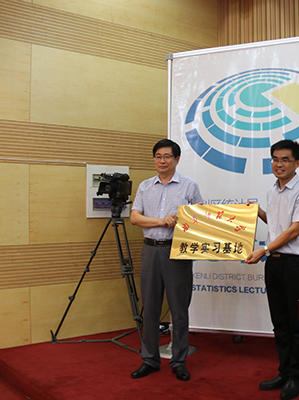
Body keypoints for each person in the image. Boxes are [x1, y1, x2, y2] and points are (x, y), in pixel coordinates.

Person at [245, 139, 299, 400]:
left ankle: (297, 376)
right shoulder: (272, 191)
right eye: (275, 159)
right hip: (274, 263)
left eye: (285, 159)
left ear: (297, 163)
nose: (279, 164)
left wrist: (263, 250)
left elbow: (294, 230)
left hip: (295, 264)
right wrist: (257, 212)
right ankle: (284, 372)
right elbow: (277, 226)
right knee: (280, 322)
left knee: (296, 324)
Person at [130, 139, 203, 382]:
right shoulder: (145, 186)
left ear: (177, 159)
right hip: (150, 250)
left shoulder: (189, 186)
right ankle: (149, 359)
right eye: (158, 156)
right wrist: (161, 221)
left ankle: (179, 361)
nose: (162, 161)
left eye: (167, 156)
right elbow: (135, 218)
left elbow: (199, 220)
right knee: (150, 307)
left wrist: (182, 220)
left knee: (179, 310)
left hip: (177, 251)